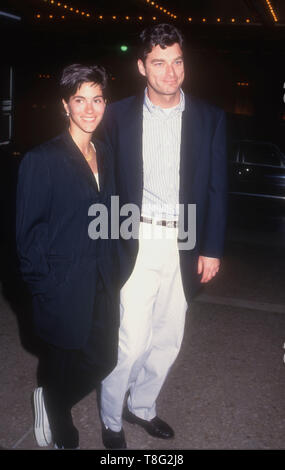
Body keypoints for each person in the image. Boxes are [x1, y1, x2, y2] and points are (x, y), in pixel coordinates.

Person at [99, 23, 228, 449]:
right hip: (133, 235)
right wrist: (101, 238)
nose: (170, 73)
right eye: (159, 63)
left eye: (176, 62)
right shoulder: (116, 115)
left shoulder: (209, 117)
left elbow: (216, 186)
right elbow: (102, 180)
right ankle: (111, 416)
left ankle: (143, 407)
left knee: (168, 336)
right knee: (130, 339)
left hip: (185, 237)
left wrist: (211, 247)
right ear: (141, 66)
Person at [16, 64, 120, 449]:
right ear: (65, 105)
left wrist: (115, 268)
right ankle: (60, 423)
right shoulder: (41, 160)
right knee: (61, 366)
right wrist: (47, 289)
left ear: (105, 103)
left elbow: (108, 219)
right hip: (60, 289)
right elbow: (27, 238)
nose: (89, 109)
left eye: (97, 99)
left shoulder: (105, 154)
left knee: (105, 359)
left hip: (101, 283)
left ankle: (49, 399)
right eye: (80, 100)